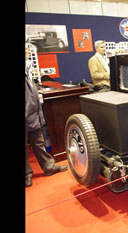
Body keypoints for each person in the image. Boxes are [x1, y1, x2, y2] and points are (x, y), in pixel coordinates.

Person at [25, 46, 68, 187]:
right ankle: (27, 175)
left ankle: (49, 167)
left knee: (39, 142)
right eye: (26, 50)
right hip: (27, 113)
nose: (28, 52)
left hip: (33, 114)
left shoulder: (27, 70)